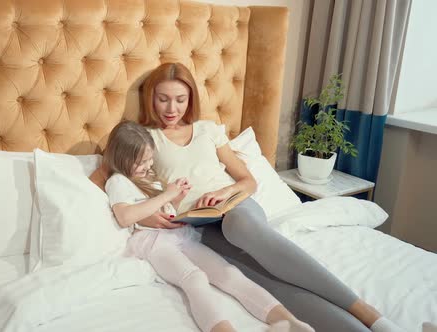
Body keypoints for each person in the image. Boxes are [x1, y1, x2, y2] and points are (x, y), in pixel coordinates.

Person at [89, 62, 403, 332]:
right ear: (150, 98)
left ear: (191, 99)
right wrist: (144, 214)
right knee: (265, 279)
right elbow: (103, 178)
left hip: (236, 210)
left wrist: (225, 192)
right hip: (198, 228)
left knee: (242, 229)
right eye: (163, 99)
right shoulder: (142, 138)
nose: (172, 109)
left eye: (181, 100)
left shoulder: (208, 130)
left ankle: (368, 313)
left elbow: (248, 180)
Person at [102, 120, 313, 332]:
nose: (148, 166)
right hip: (152, 243)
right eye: (142, 162)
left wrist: (177, 198)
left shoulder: (150, 179)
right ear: (122, 157)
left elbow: (166, 211)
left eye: (149, 160)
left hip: (179, 234)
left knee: (229, 273)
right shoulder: (118, 181)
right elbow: (125, 216)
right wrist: (167, 194)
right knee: (194, 278)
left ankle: (288, 322)